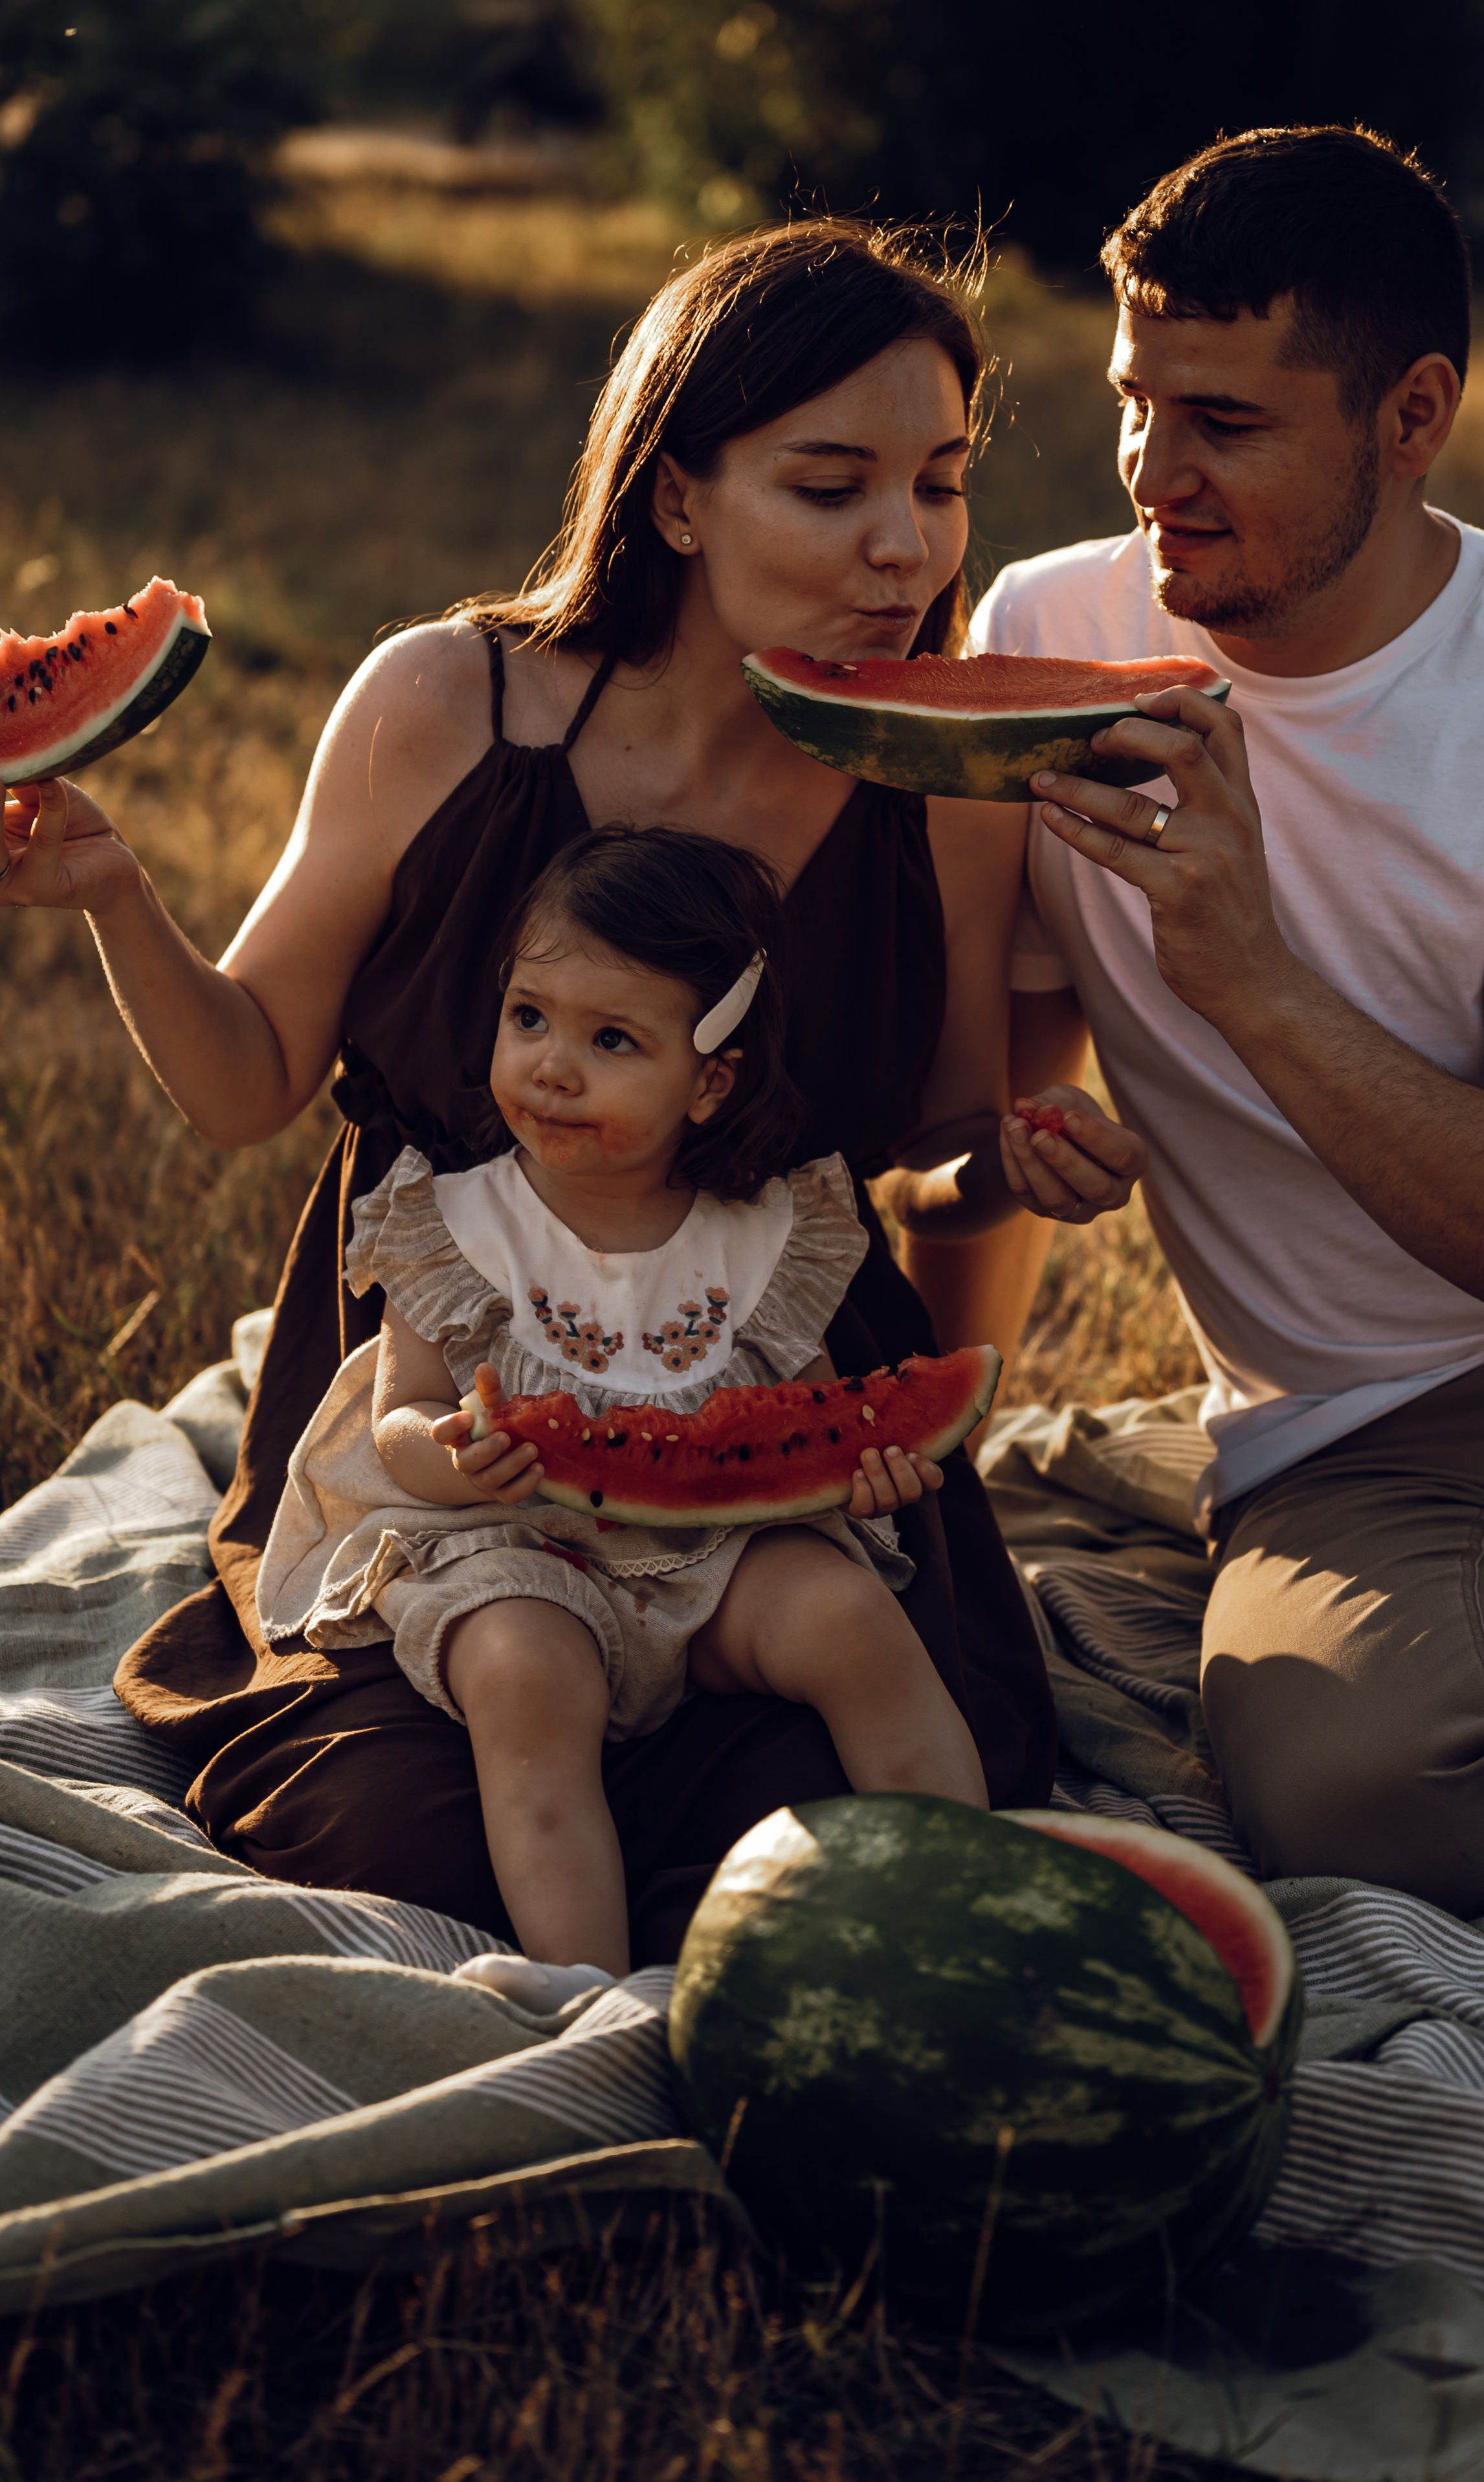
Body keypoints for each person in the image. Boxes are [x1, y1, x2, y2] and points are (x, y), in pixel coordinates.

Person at [0, 219, 1059, 1955]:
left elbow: (932, 1150)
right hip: (456, 1407)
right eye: (831, 485)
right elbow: (249, 1082)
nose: (906, 543)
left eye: (940, 484)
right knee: (407, 1836)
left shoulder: (939, 775)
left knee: (833, 1811)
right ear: (676, 497)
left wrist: (1013, 1163)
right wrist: (119, 893)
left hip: (765, 1384)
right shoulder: (447, 703)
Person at [968, 126, 1484, 1917]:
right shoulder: (1044, 638)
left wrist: (1251, 981)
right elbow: (985, 1118)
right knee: (1359, 1795)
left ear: (1411, 416)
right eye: (1134, 403)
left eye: (1225, 422)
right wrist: (981, 1193)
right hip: (1348, 1435)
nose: (1153, 473)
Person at [258, 824, 987, 2001]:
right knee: (524, 1678)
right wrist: (456, 1457)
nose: (552, 1067)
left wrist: (864, 1475)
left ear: (710, 1082)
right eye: (529, 1018)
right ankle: (586, 1984)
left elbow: (795, 1424)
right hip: (509, 1547)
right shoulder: (456, 1224)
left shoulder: (764, 1235)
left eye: (612, 1041)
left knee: (855, 1617)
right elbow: (400, 1420)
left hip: (715, 1560)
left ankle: (980, 1907)